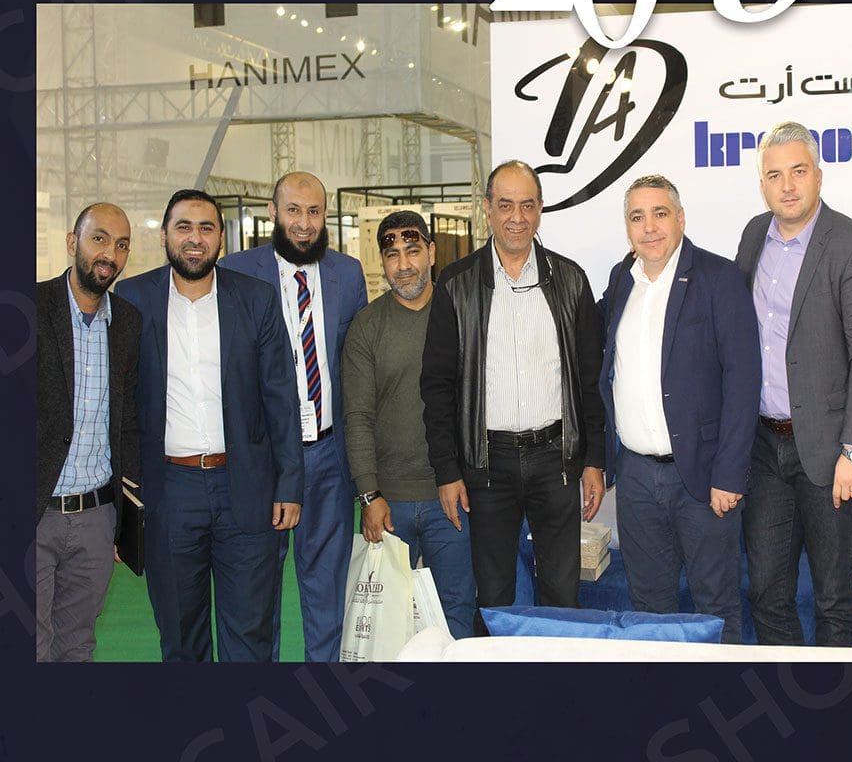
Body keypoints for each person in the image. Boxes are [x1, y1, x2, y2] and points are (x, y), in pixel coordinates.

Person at [116, 189, 303, 662]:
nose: (195, 238)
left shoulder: (256, 299)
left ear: (222, 237)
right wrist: (122, 501)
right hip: (169, 492)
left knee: (250, 637)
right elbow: (120, 407)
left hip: (247, 489)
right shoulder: (133, 299)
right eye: (184, 227)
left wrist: (289, 484)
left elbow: (281, 397)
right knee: (181, 638)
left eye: (206, 228)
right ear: (164, 235)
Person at [421, 160, 605, 635]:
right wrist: (447, 471)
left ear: (540, 209)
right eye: (506, 205)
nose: (517, 217)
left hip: (556, 460)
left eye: (527, 205)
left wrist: (593, 461)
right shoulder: (456, 284)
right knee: (494, 595)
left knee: (562, 593)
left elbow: (589, 381)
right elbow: (437, 386)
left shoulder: (571, 280)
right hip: (487, 466)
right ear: (488, 209)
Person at [736, 121, 852, 647]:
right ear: (762, 183)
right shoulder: (753, 235)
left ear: (818, 175)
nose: (788, 185)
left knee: (834, 598)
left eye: (798, 171)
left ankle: (837, 699)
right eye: (775, 175)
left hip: (828, 453)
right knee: (766, 593)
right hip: (763, 448)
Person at [598, 176, 760, 643]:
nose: (649, 227)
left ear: (681, 219)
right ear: (627, 227)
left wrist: (729, 474)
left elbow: (743, 381)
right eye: (637, 217)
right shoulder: (620, 280)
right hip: (635, 479)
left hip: (704, 478)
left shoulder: (719, 278)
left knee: (716, 608)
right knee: (649, 608)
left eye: (660, 213)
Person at [221, 171, 367, 662]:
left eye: (314, 212)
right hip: (262, 460)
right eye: (293, 210)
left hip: (327, 457)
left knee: (327, 589)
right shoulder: (235, 273)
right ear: (272, 212)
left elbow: (358, 367)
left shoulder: (349, 274)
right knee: (257, 592)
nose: (304, 223)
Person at [343, 211, 474, 639]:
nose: (403, 265)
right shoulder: (367, 327)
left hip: (452, 497)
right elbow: (357, 417)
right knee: (390, 626)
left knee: (456, 614)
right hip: (389, 503)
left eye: (413, 251)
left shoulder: (462, 314)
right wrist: (369, 495)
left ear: (432, 253)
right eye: (392, 254)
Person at [36, 203, 141, 662]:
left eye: (121, 245)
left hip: (97, 518)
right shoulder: (32, 308)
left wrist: (125, 518)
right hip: (35, 512)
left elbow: (129, 423)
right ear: (71, 242)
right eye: (99, 238)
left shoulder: (128, 323)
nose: (110, 254)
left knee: (77, 647)